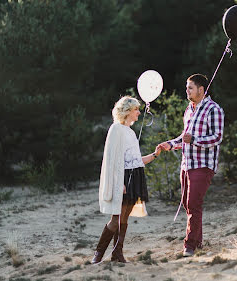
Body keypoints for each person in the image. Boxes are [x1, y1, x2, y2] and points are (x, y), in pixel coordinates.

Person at [159, 74, 224, 257]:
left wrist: (194, 140)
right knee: (189, 205)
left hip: (203, 165)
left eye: (190, 88)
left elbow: (217, 137)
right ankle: (199, 242)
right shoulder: (189, 109)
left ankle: (190, 245)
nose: (186, 91)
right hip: (186, 164)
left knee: (194, 203)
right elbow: (184, 137)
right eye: (186, 87)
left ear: (201, 89)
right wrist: (171, 144)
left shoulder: (214, 109)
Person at [92, 96, 162, 264]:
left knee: (124, 218)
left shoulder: (130, 131)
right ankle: (98, 255)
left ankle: (117, 254)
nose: (139, 112)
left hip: (135, 177)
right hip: (122, 178)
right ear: (128, 111)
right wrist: (119, 183)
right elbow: (112, 159)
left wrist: (155, 154)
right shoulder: (116, 129)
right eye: (136, 109)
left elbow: (137, 160)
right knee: (116, 219)